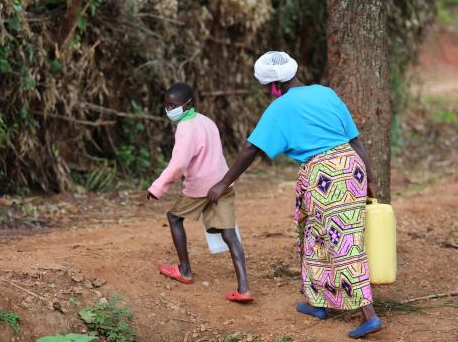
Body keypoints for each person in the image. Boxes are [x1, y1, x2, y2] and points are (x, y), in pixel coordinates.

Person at [208, 52, 382, 338]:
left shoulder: (280, 107)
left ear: (275, 85)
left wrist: (223, 183)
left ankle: (369, 314)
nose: (267, 93)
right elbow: (355, 140)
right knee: (314, 237)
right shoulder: (326, 93)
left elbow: (252, 149)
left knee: (343, 242)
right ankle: (318, 301)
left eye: (267, 87)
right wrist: (368, 179)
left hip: (323, 175)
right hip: (351, 167)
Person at [147, 82, 253, 303]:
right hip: (222, 183)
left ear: (187, 104)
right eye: (166, 105)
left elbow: (178, 164)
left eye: (173, 105)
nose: (169, 109)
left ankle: (184, 270)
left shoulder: (186, 128)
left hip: (200, 188)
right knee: (229, 233)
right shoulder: (206, 120)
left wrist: (158, 187)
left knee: (174, 217)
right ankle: (244, 288)